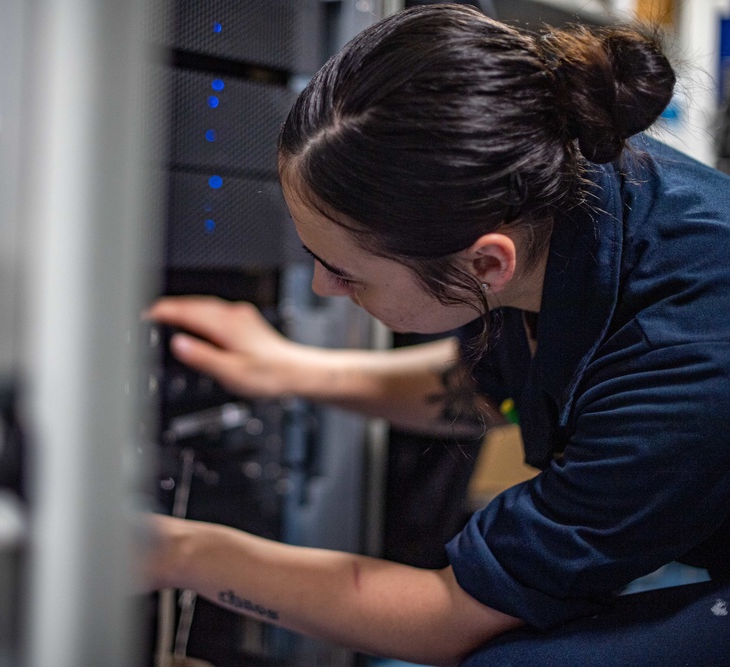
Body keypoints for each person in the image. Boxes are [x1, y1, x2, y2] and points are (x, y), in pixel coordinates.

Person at [146, 5, 730, 665]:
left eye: (345, 271)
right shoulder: (547, 178)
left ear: (485, 264)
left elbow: (450, 618)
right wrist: (286, 368)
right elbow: (488, 392)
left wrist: (179, 553)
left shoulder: (687, 354)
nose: (320, 287)